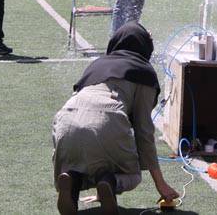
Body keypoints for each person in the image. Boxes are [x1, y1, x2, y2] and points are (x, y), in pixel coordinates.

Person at [53, 22, 180, 215]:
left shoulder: (97, 64)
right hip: (107, 120)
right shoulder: (143, 71)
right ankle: (110, 182)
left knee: (80, 165)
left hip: (65, 120)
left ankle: (72, 181)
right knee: (133, 175)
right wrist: (161, 184)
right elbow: (143, 132)